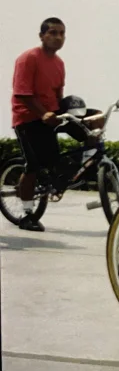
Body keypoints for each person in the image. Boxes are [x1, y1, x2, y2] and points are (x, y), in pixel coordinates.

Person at [11, 18, 66, 232]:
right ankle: (26, 215)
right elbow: (22, 94)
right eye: (52, 32)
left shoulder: (59, 63)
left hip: (49, 117)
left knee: (56, 161)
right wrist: (44, 114)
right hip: (28, 118)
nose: (58, 37)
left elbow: (58, 95)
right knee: (33, 166)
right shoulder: (28, 59)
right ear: (41, 35)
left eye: (62, 33)